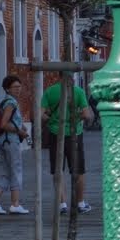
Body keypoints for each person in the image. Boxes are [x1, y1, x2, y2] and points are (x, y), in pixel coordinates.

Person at [41, 80, 94, 214]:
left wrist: (52, 119)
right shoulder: (78, 91)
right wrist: (75, 118)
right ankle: (80, 203)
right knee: (78, 171)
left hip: (55, 134)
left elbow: (40, 114)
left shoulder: (49, 91)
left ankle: (62, 204)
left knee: (58, 170)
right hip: (74, 134)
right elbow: (87, 115)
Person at [0, 75, 30, 215]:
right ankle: (15, 204)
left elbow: (12, 120)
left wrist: (21, 127)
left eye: (19, 86)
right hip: (10, 141)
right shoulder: (11, 103)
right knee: (16, 170)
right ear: (7, 89)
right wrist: (20, 132)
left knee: (7, 172)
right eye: (15, 87)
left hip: (3, 141)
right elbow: (4, 124)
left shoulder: (6, 101)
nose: (18, 89)